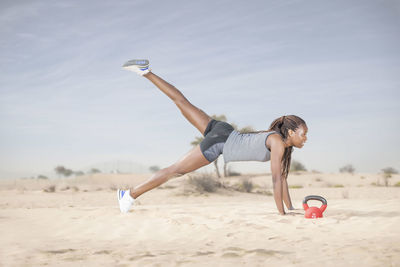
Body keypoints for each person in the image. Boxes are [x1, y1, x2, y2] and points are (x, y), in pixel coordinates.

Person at [117, 60, 308, 215]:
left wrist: (290, 208)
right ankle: (129, 195)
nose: (305, 138)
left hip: (224, 130)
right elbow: (276, 180)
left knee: (182, 101)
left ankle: (146, 71)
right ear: (291, 133)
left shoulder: (281, 144)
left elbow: (282, 178)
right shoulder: (277, 143)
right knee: (175, 170)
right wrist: (282, 214)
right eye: (303, 134)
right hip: (220, 142)